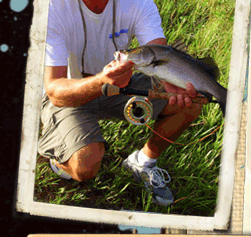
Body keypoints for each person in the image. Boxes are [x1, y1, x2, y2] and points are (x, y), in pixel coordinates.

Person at [38, 0, 203, 206]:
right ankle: (58, 156)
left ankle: (143, 162)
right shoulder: (51, 7)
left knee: (192, 102)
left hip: (122, 83)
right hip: (69, 92)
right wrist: (100, 81)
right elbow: (54, 89)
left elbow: (159, 54)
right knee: (84, 166)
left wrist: (170, 82)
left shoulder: (139, 3)